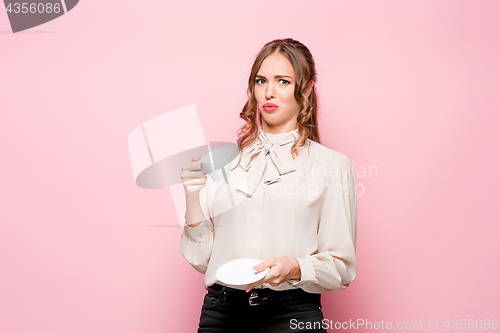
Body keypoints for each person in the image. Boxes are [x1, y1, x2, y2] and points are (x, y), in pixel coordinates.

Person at [179, 38, 357, 333]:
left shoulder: (331, 165)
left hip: (291, 315)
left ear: (307, 88)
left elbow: (342, 266)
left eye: (283, 81)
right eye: (261, 80)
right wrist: (192, 196)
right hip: (221, 313)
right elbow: (201, 259)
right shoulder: (224, 162)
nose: (269, 92)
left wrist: (294, 267)